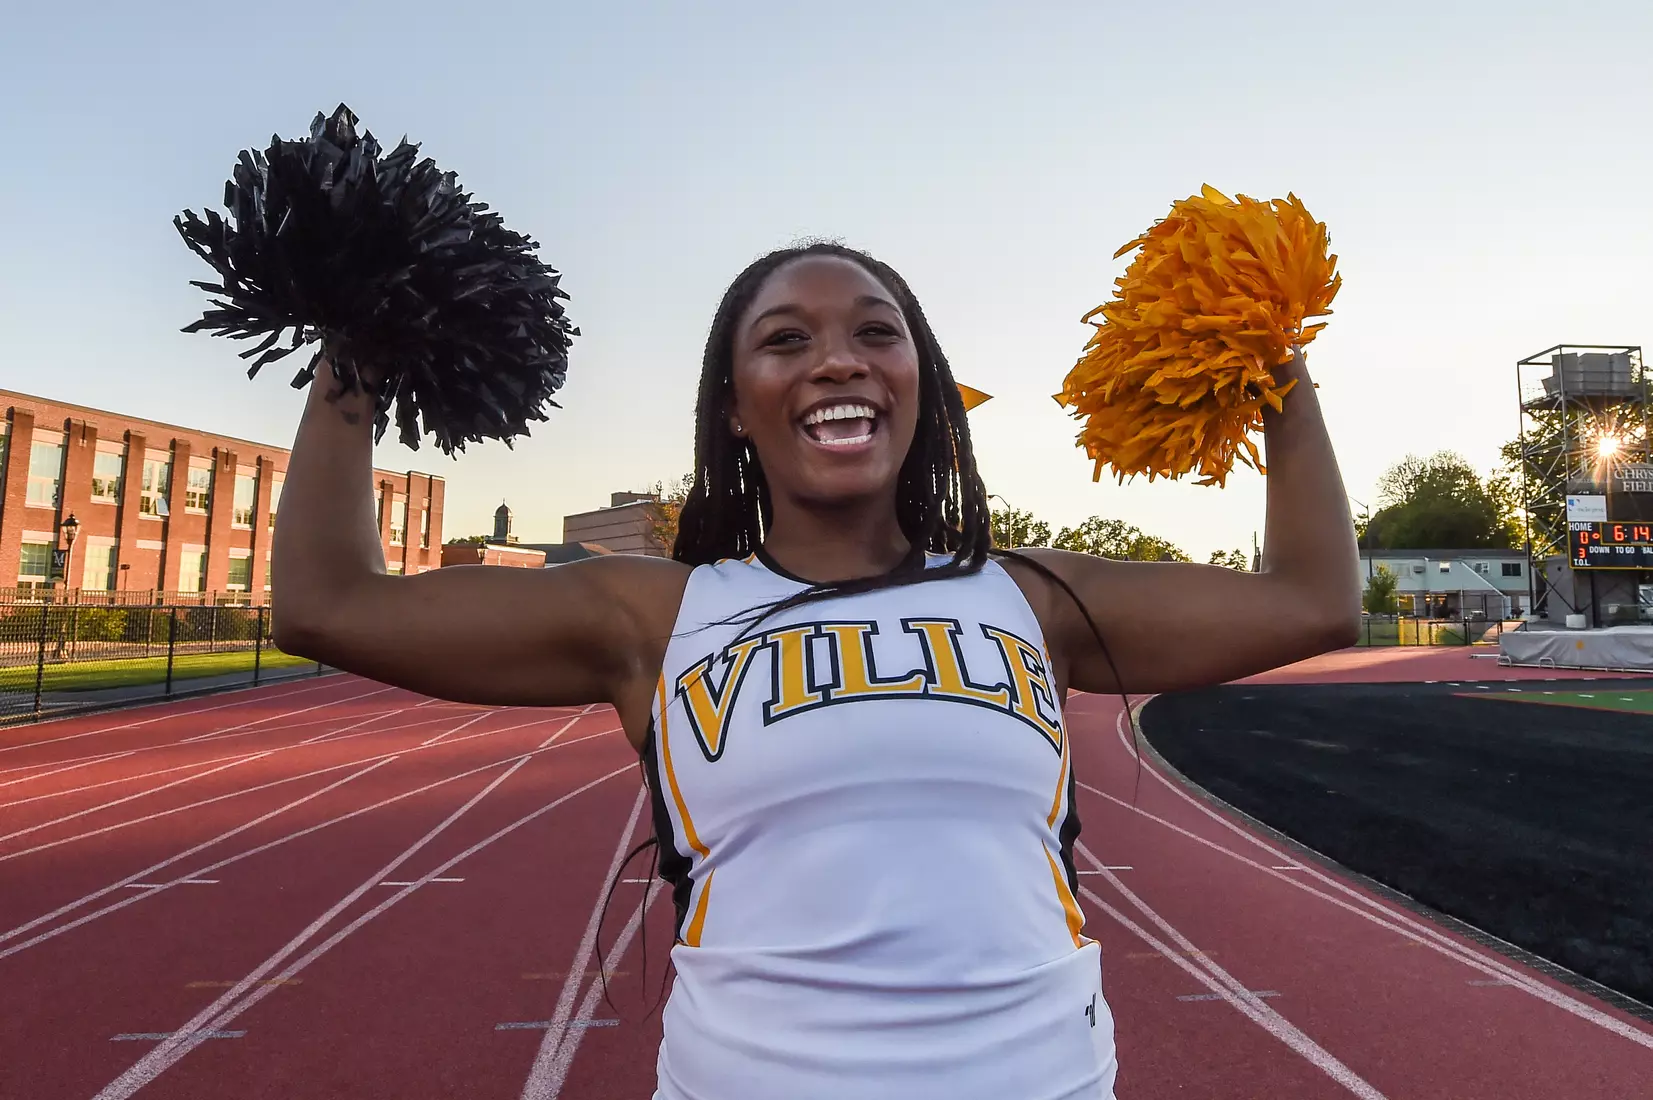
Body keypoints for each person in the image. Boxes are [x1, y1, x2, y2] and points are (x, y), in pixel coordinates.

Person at [272, 242, 1360, 1099]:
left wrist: (1264, 344)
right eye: (785, 339)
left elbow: (1314, 598)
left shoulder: (1033, 598)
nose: (837, 358)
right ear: (737, 408)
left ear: (922, 387)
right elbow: (331, 604)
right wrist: (364, 334)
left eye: (875, 332)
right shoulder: (653, 612)